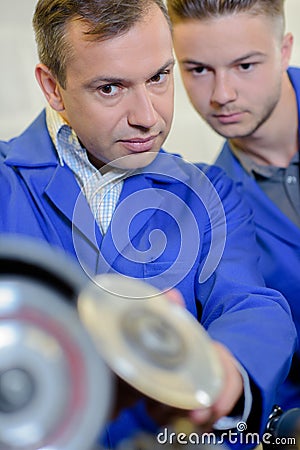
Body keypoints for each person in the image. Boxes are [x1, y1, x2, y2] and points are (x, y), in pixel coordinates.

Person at [0, 0, 296, 448]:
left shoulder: (209, 191)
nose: (148, 116)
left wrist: (228, 370)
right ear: (53, 87)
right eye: (110, 88)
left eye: (159, 77)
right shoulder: (6, 184)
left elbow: (251, 303)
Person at [167, 0, 300, 414]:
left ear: (283, 50)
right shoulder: (210, 213)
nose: (222, 95)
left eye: (245, 66)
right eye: (199, 70)